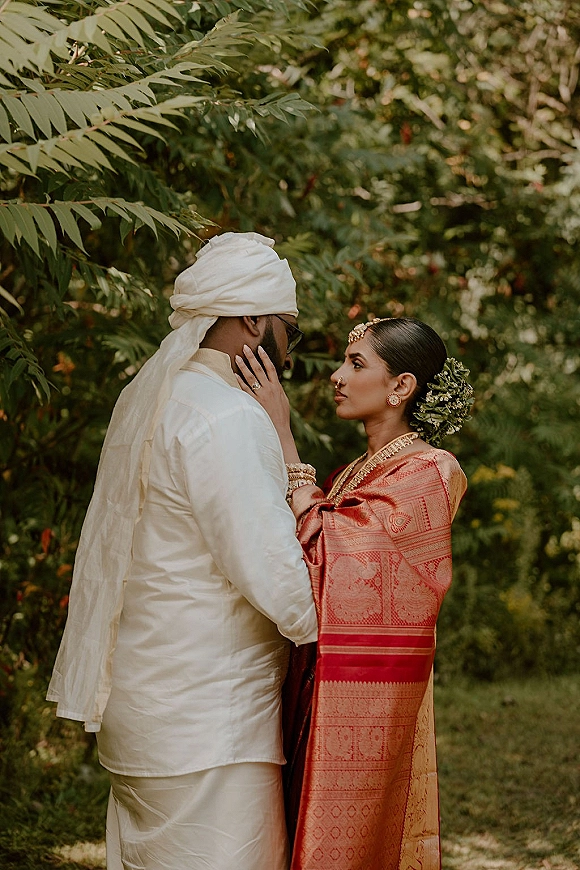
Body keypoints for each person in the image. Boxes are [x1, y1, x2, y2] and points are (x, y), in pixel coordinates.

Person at [47, 231, 318, 870]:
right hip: (209, 726)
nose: (290, 348)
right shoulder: (227, 415)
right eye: (290, 330)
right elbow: (277, 581)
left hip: (147, 706)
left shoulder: (156, 399)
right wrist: (345, 613)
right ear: (253, 317)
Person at [236, 315, 473, 870]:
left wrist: (284, 436)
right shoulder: (355, 472)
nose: (337, 376)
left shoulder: (433, 471)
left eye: (357, 363)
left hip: (369, 696)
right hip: (318, 678)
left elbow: (341, 559)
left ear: (400, 387)